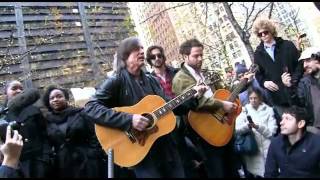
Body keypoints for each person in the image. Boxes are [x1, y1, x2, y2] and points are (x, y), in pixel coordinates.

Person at [83, 37, 205, 178]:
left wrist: (193, 97)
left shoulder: (152, 80)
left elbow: (169, 106)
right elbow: (90, 107)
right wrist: (129, 120)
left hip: (166, 148)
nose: (141, 51)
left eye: (142, 48)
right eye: (136, 49)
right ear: (125, 56)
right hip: (140, 151)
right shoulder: (116, 81)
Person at [172, 38, 238, 178]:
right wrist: (221, 104)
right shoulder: (180, 78)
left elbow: (223, 92)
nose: (200, 58)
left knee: (232, 169)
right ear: (185, 56)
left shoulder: (206, 73)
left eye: (201, 55)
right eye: (196, 55)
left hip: (221, 126)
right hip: (204, 132)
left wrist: (243, 83)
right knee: (217, 172)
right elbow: (196, 104)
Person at [146, 45, 203, 177]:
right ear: (149, 60)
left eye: (159, 55)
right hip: (167, 120)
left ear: (163, 57)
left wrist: (196, 92)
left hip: (187, 113)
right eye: (153, 57)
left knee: (199, 151)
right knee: (181, 156)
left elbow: (189, 89)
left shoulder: (177, 72)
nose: (157, 58)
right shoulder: (149, 80)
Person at [42, 85, 107, 178]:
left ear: (66, 98)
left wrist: (94, 154)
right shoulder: (47, 122)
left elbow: (94, 134)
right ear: (48, 102)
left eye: (59, 96)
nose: (55, 99)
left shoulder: (81, 113)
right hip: (63, 165)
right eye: (52, 98)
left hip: (87, 161)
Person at [252, 18, 303, 118]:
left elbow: (300, 64)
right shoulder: (257, 54)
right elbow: (258, 74)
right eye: (259, 34)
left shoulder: (287, 45)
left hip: (297, 92)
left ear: (271, 30)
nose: (263, 35)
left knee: (307, 124)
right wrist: (264, 83)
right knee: (290, 129)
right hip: (278, 99)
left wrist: (293, 80)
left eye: (265, 32)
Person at [0, 80, 52, 178]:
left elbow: (45, 134)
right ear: (6, 92)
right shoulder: (3, 116)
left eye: (21, 89)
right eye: (14, 88)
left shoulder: (34, 110)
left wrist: (46, 157)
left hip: (39, 162)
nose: (19, 91)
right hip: (15, 165)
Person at [264, 106, 320, 178]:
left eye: (288, 119)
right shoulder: (276, 143)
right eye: (282, 118)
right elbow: (270, 173)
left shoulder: (316, 143)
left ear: (300, 123)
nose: (281, 122)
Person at [235, 87, 277, 178]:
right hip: (253, 152)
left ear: (260, 98)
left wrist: (258, 127)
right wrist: (247, 127)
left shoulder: (268, 110)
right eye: (251, 98)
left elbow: (271, 133)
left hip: (267, 150)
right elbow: (236, 130)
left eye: (255, 98)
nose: (253, 100)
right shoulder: (245, 111)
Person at [282, 47, 320, 134]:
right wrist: (289, 88)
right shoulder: (304, 83)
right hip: (316, 128)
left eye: (308, 61)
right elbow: (298, 106)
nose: (304, 65)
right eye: (303, 62)